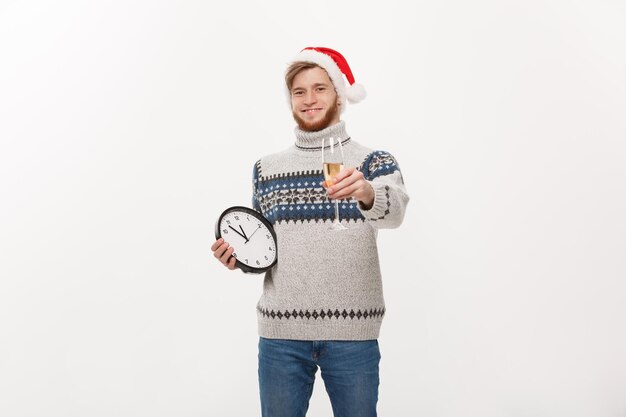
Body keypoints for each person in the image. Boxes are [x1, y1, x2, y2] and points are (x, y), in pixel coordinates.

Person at [211, 46, 410, 417]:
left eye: (320, 88)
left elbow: (395, 212)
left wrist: (366, 191)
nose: (309, 99)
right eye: (299, 92)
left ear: (338, 94)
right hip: (281, 333)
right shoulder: (266, 169)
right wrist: (239, 260)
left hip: (353, 333)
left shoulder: (372, 161)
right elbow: (264, 249)